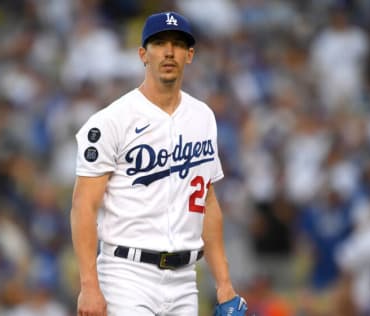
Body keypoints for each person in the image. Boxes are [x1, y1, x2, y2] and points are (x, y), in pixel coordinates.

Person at [70, 11, 244, 315]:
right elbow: (84, 205)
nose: (168, 51)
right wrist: (89, 286)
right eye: (159, 43)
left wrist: (224, 283)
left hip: (185, 279)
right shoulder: (112, 120)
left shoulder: (202, 117)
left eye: (178, 44)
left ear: (189, 55)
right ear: (142, 54)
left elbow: (207, 201)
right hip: (127, 275)